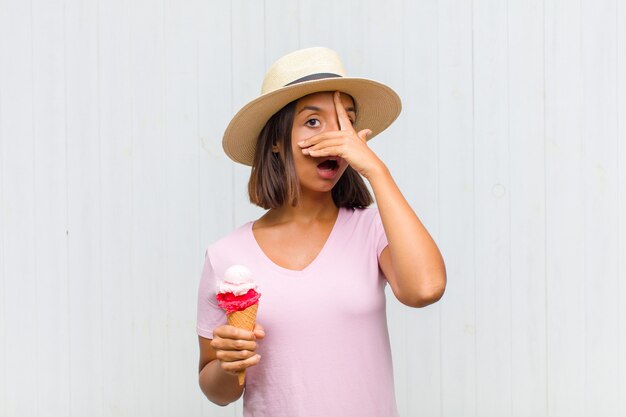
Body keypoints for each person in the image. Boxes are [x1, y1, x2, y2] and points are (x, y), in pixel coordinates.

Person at [196, 47, 446, 417]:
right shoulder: (226, 256)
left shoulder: (373, 230)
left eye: (346, 121)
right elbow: (218, 392)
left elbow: (424, 289)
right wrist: (229, 365)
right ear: (277, 141)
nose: (335, 138)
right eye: (313, 122)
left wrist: (375, 170)